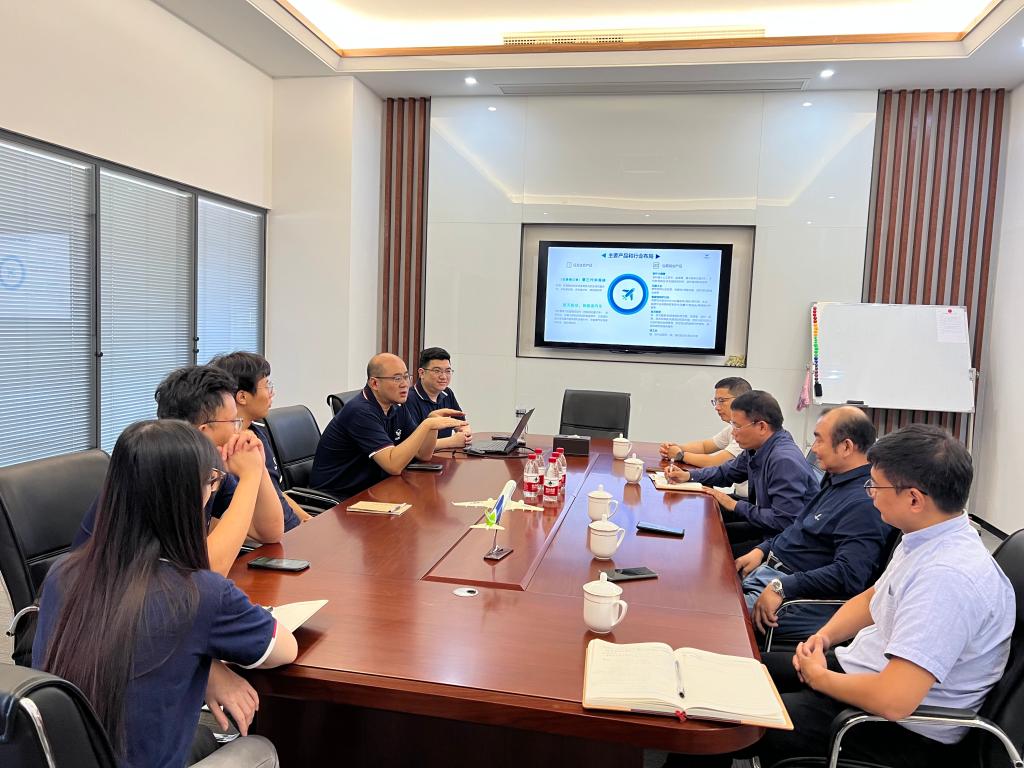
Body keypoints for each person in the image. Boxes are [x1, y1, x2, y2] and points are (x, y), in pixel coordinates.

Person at [674, 423, 1016, 768]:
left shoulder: (947, 577)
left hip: (889, 727)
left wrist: (820, 678)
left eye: (876, 485)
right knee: (723, 676)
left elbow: (894, 700)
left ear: (914, 499)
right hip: (858, 673)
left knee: (719, 715)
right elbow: (872, 599)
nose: (870, 493)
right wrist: (822, 638)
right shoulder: (927, 536)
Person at [33, 420, 298, 768]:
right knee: (261, 748)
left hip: (61, 757)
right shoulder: (201, 593)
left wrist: (206, 666)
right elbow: (285, 649)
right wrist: (207, 660)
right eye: (212, 482)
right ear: (190, 496)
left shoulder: (62, 573)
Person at [74, 365, 285, 576]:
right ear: (203, 432)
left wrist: (257, 466)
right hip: (106, 591)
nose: (239, 429)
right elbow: (207, 570)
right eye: (234, 421)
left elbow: (270, 532)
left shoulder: (208, 468)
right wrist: (249, 478)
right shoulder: (161, 476)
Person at [736, 406, 892, 641]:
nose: (814, 449)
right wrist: (763, 549)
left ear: (846, 447)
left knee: (714, 619)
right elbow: (800, 526)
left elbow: (849, 574)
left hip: (791, 598)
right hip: (770, 575)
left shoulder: (863, 503)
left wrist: (783, 586)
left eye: (819, 440)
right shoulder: (836, 479)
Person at [666, 390, 817, 556]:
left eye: (737, 426)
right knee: (703, 533)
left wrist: (735, 505)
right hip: (765, 528)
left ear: (762, 427)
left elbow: (784, 521)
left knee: (711, 552)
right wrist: (688, 476)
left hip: (784, 544)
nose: (733, 432)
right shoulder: (757, 447)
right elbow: (726, 472)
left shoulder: (783, 460)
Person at [309, 352, 466, 500]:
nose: (405, 384)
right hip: (340, 499)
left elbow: (423, 454)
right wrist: (426, 425)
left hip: (375, 488)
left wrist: (432, 425)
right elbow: (393, 465)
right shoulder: (360, 411)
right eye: (397, 378)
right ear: (375, 383)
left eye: (406, 377)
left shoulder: (397, 405)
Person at [210, 351, 309, 526]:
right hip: (272, 536)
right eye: (266, 385)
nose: (272, 393)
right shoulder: (226, 450)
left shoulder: (257, 433)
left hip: (291, 529)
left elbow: (276, 493)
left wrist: (306, 519)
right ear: (242, 397)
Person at [659, 376, 752, 468]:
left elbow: (715, 463)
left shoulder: (748, 431)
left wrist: (680, 455)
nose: (717, 407)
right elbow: (704, 446)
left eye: (722, 401)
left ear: (741, 400)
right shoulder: (732, 428)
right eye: (716, 401)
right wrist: (676, 448)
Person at [404, 347, 473, 450]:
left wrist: (465, 434)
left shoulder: (447, 393)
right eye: (437, 371)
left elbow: (462, 424)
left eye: (448, 371)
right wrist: (452, 441)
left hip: (445, 456)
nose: (443, 376)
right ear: (422, 373)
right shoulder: (409, 399)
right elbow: (413, 445)